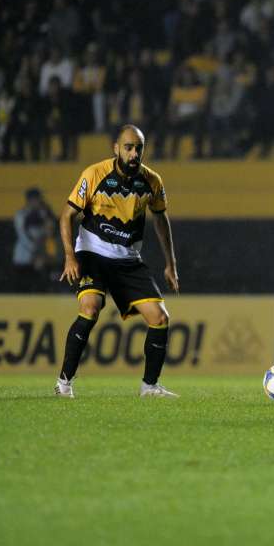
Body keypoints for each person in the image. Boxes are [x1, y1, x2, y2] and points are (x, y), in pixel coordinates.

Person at [55, 124, 181, 398]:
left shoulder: (152, 181)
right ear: (116, 148)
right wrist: (69, 256)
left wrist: (170, 263)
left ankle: (149, 387)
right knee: (90, 307)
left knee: (160, 318)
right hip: (92, 253)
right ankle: (64, 382)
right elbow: (66, 215)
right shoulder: (95, 174)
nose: (134, 153)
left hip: (128, 259)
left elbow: (161, 219)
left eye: (139, 148)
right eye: (128, 147)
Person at [12, 187, 55, 291]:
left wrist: (47, 217)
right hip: (24, 258)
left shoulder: (43, 213)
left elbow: (50, 233)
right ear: (29, 200)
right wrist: (36, 253)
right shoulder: (21, 215)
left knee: (41, 290)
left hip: (41, 257)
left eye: (38, 199)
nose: (37, 202)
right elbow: (23, 236)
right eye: (34, 199)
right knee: (23, 290)